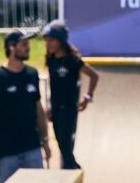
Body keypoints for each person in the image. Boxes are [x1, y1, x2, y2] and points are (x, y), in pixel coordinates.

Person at [0, 30, 51, 183]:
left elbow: (38, 109)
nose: (28, 48)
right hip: (6, 152)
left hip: (32, 148)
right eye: (24, 44)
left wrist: (45, 141)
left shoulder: (32, 74)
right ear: (11, 47)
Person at [42, 19, 100, 171]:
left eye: (51, 40)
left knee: (66, 148)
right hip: (55, 109)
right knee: (61, 144)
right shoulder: (51, 59)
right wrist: (48, 104)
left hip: (68, 109)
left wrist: (88, 97)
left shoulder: (72, 60)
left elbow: (94, 75)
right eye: (47, 41)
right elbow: (52, 84)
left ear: (60, 41)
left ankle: (73, 172)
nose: (48, 44)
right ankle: (73, 171)